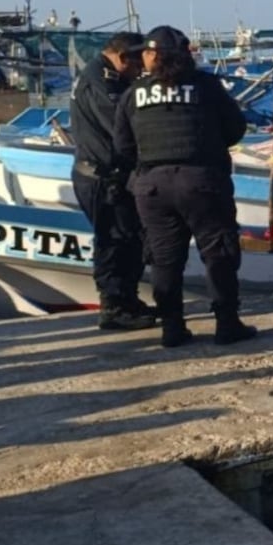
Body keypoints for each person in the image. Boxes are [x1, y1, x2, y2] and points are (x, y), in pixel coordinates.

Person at [112, 25, 257, 348]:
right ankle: (227, 324)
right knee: (218, 253)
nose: (142, 58)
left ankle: (172, 328)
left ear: (154, 56)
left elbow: (122, 145)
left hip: (152, 186)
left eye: (146, 53)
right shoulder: (206, 86)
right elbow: (235, 128)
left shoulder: (133, 94)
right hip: (202, 180)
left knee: (164, 258)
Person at [71, 31, 155, 331]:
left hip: (112, 175)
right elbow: (124, 127)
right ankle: (114, 306)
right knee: (114, 241)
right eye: (137, 64)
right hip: (102, 177)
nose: (140, 71)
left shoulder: (106, 77)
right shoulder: (102, 84)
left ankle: (127, 298)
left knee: (130, 239)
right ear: (122, 58)